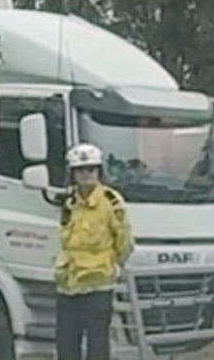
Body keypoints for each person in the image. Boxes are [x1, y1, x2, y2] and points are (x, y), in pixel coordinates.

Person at [55, 142, 133, 360]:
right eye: (80, 170)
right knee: (66, 344)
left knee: (97, 346)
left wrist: (111, 266)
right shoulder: (70, 202)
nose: (86, 174)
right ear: (73, 173)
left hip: (97, 287)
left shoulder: (111, 202)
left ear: (99, 171)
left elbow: (124, 242)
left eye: (91, 169)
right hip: (68, 287)